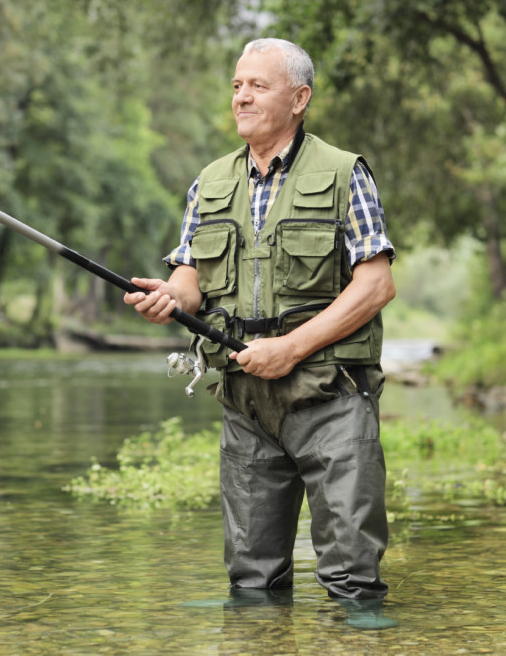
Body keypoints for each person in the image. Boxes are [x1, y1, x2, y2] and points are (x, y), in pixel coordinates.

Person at [124, 38, 397, 628]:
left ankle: (360, 638)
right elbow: (191, 276)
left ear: (299, 99)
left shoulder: (344, 174)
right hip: (245, 400)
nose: (241, 97)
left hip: (331, 393)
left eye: (258, 85)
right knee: (250, 580)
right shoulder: (209, 182)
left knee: (352, 579)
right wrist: (170, 297)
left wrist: (290, 348)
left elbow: (376, 285)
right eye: (236, 85)